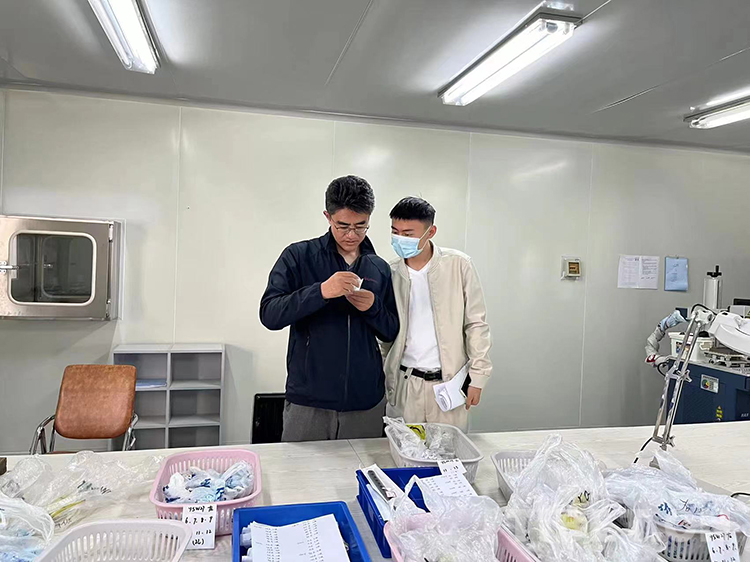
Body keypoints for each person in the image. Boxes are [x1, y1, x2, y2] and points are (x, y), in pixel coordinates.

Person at [260, 175, 399, 442]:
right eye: (343, 226)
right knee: (301, 468)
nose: (352, 235)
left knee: (361, 467)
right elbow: (269, 314)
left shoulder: (378, 267)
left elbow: (391, 331)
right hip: (309, 401)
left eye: (361, 226)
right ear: (328, 216)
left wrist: (373, 307)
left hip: (365, 401)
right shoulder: (299, 256)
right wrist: (321, 291)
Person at [381, 197, 491, 433]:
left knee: (449, 450)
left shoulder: (459, 265)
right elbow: (384, 335)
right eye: (395, 232)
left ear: (430, 232)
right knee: (406, 450)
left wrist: (478, 376)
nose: (400, 239)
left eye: (408, 234)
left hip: (449, 385)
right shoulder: (390, 273)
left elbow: (476, 324)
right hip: (405, 386)